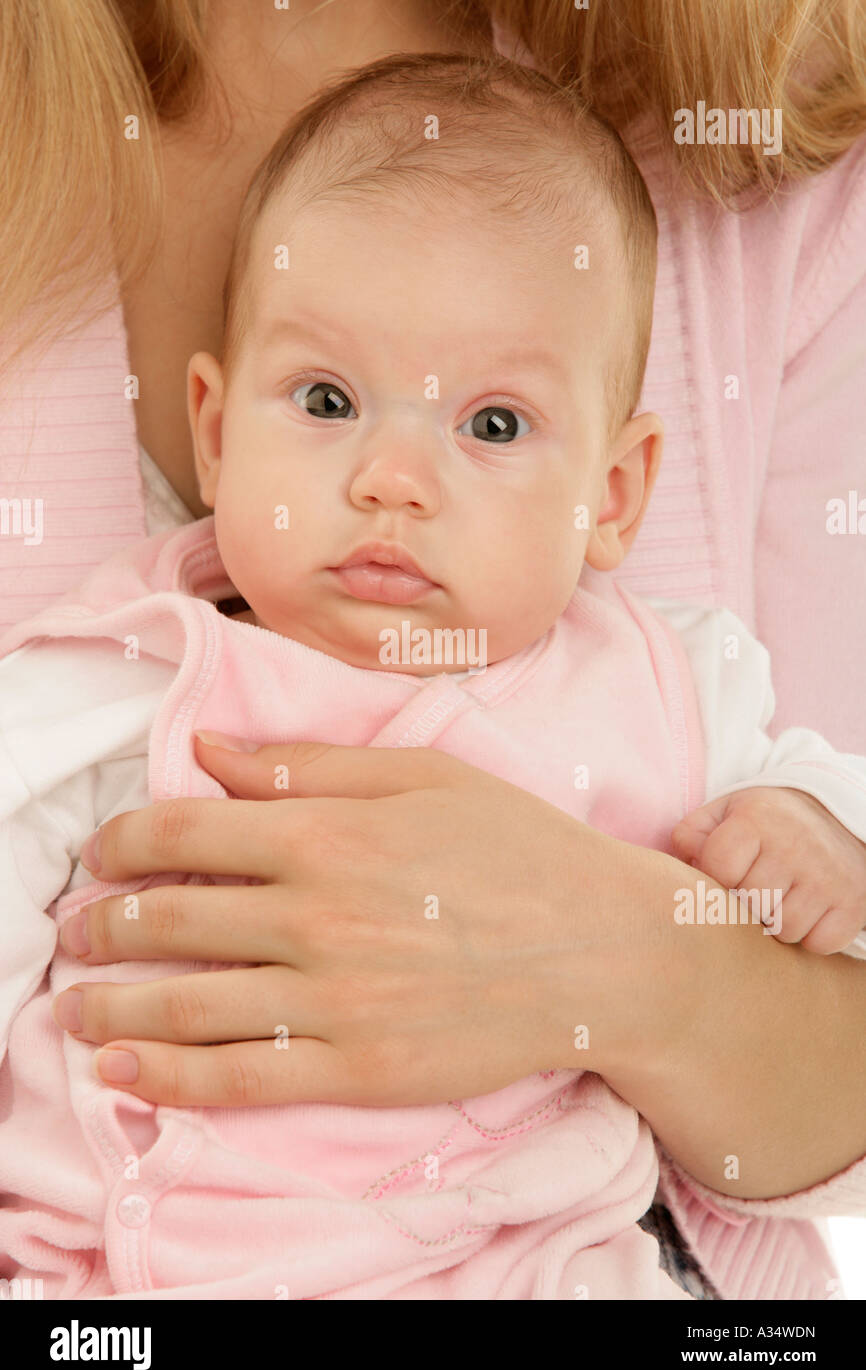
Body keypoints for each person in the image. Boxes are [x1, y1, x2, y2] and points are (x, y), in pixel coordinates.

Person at [1, 0, 864, 1300]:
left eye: (496, 425)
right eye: (329, 403)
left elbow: (826, 876)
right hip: (145, 1260)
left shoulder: (665, 684)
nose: (393, 481)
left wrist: (798, 853)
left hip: (549, 1258)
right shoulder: (132, 676)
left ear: (616, 494)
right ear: (215, 426)